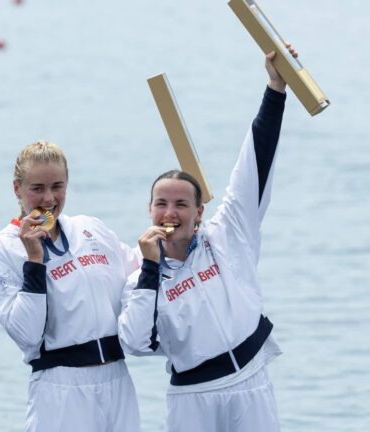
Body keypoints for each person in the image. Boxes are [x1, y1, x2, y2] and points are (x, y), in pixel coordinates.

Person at [118, 49, 296, 432]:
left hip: (251, 383)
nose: (171, 213)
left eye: (182, 204)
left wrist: (276, 87)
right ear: (149, 210)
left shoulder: (228, 235)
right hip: (192, 398)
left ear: (199, 212)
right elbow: (134, 342)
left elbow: (255, 162)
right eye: (161, 204)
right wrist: (150, 269)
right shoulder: (139, 278)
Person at [0, 141, 143, 431]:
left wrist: (177, 233)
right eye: (37, 188)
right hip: (60, 385)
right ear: (17, 188)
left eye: (57, 186)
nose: (49, 198)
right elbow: (26, 333)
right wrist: (34, 261)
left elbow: (138, 277)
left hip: (118, 379)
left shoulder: (91, 228)